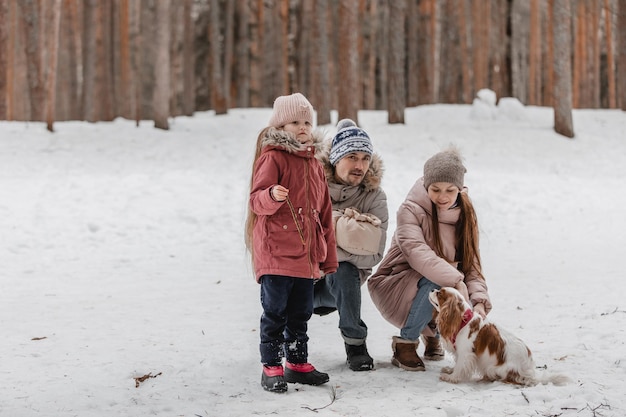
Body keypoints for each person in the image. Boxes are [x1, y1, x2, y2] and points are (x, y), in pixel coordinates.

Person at [245, 93, 338, 393]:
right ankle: (271, 365)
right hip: (276, 254)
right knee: (275, 312)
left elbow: (325, 215)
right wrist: (271, 196)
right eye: (295, 122)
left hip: (305, 257)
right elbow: (256, 200)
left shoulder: (314, 165)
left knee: (301, 313)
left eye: (307, 122)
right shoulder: (273, 157)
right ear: (281, 126)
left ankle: (296, 363)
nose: (303, 127)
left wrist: (328, 258)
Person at [367, 146, 492, 371]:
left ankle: (434, 333)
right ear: (426, 186)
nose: (442, 197)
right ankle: (405, 342)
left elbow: (472, 265)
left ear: (460, 189)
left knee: (445, 280)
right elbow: (417, 254)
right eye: (435, 189)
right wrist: (456, 281)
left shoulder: (466, 216)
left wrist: (480, 301)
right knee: (439, 279)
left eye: (449, 190)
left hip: (437, 285)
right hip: (397, 284)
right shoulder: (410, 210)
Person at [313, 119, 388, 371]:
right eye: (352, 157)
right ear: (335, 158)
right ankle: (286, 345)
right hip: (306, 282)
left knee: (342, 270)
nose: (360, 166)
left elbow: (373, 254)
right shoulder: (313, 187)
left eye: (366, 158)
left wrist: (329, 237)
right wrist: (349, 236)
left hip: (342, 287)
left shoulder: (374, 197)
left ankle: (356, 346)